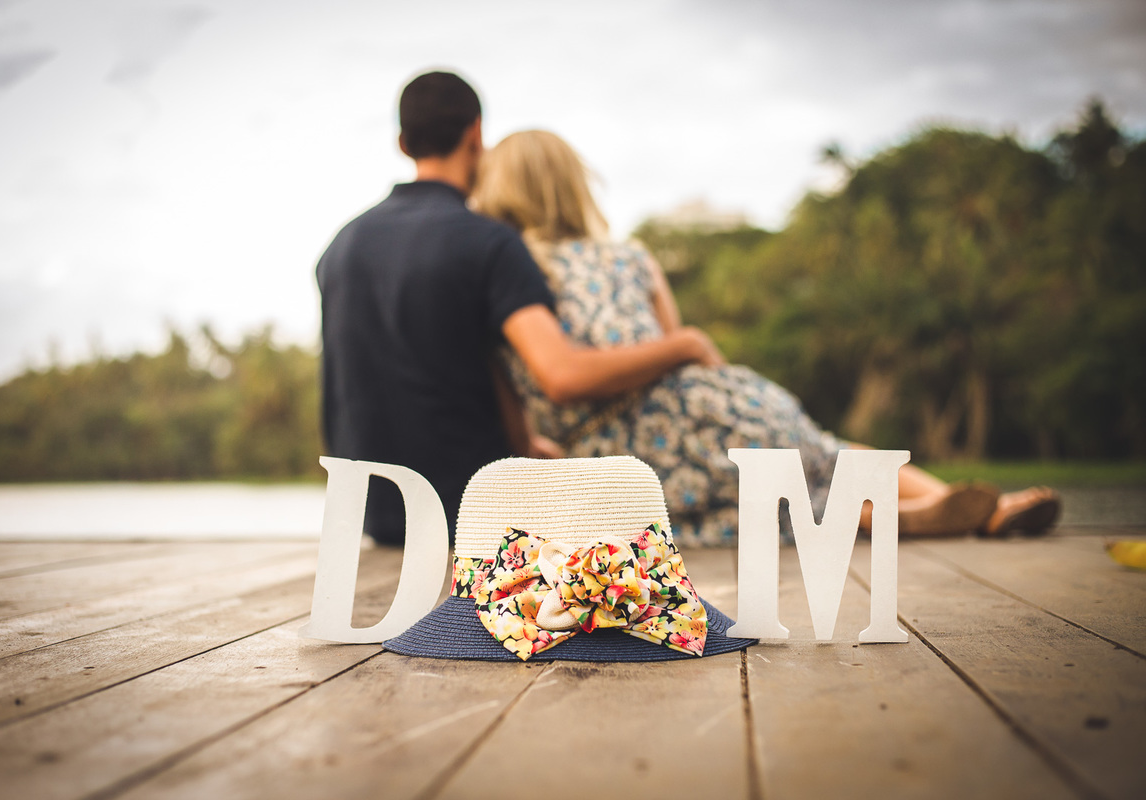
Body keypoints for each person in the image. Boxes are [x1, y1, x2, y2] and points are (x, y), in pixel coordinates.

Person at [470, 129, 1061, 545]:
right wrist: (688, 346)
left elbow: (518, 393)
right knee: (830, 453)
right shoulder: (630, 256)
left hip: (630, 455)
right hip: (729, 407)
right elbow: (679, 351)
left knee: (776, 500)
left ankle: (888, 518)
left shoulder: (509, 272)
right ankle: (969, 506)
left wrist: (530, 446)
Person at [316, 73, 722, 545]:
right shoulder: (487, 241)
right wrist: (686, 343)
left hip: (373, 516)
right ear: (476, 135)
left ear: (404, 143)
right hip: (473, 515)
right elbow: (562, 374)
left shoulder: (341, 246)